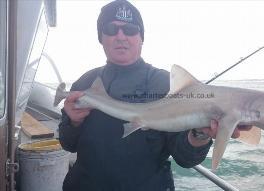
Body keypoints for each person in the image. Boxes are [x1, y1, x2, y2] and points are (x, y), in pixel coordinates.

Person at [59, 0, 251, 190]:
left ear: (141, 37)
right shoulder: (86, 82)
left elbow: (185, 158)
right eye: (111, 28)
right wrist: (73, 123)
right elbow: (68, 144)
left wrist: (200, 134)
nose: (120, 36)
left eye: (130, 29)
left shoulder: (166, 84)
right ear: (100, 36)